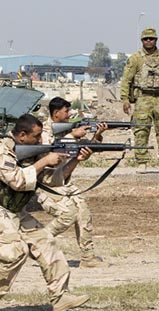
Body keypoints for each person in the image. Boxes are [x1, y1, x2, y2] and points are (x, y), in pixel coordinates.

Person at [0, 114, 93, 311]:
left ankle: (60, 297)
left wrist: (75, 161)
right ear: (22, 136)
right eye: (36, 137)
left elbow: (52, 180)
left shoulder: (31, 152)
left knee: (46, 243)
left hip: (13, 209)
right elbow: (16, 180)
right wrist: (44, 161)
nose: (40, 141)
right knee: (14, 252)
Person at [39, 97, 108, 268]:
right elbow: (51, 153)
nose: (69, 114)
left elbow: (84, 149)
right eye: (66, 111)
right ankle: (37, 242)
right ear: (56, 114)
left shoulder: (66, 129)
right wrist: (71, 136)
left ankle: (88, 257)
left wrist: (97, 134)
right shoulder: (44, 132)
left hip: (62, 182)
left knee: (83, 212)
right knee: (67, 216)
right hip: (46, 185)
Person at [120, 28, 159, 173]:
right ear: (142, 41)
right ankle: (142, 162)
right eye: (146, 39)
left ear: (156, 40)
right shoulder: (136, 59)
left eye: (151, 38)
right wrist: (125, 99)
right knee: (141, 130)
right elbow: (126, 80)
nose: (149, 41)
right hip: (143, 99)